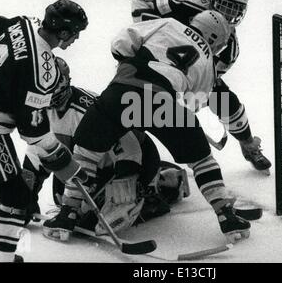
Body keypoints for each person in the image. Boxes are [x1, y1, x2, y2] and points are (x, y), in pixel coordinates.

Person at [71, 10, 251, 243]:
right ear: (215, 39)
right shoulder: (209, 62)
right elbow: (193, 102)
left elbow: (121, 43)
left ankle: (68, 211)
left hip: (121, 92)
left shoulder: (169, 22)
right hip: (161, 102)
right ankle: (226, 215)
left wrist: (130, 64)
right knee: (202, 160)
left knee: (85, 150)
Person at [19, 58, 190, 241]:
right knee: (62, 199)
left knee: (95, 219)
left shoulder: (86, 109)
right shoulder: (38, 110)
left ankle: (165, 183)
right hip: (92, 163)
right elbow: (37, 152)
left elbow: (130, 149)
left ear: (63, 82)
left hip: (133, 158)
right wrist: (24, 196)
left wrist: (128, 186)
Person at [0, 0, 88, 262]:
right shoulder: (43, 70)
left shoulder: (22, 23)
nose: (75, 39)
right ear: (65, 32)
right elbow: (32, 132)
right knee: (16, 196)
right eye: (76, 33)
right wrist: (64, 161)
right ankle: (3, 260)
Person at [131, 0, 271, 174]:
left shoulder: (229, 49)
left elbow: (205, 84)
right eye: (226, 6)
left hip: (182, 74)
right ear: (213, 0)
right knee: (135, 104)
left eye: (236, 10)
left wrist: (188, 100)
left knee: (224, 98)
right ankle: (127, 149)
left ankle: (248, 145)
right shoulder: (188, 1)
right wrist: (153, 32)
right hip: (151, 60)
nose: (230, 14)